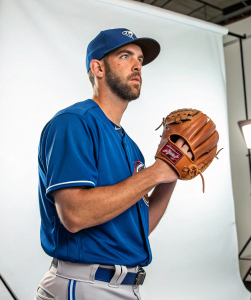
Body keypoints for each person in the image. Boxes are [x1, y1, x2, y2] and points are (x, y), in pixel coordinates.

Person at [36, 28, 191, 300]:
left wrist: (172, 172)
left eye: (140, 60)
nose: (137, 66)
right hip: (82, 284)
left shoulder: (131, 147)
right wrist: (155, 173)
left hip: (125, 286)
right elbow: (74, 215)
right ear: (98, 67)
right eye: (125, 56)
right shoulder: (73, 123)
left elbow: (139, 226)